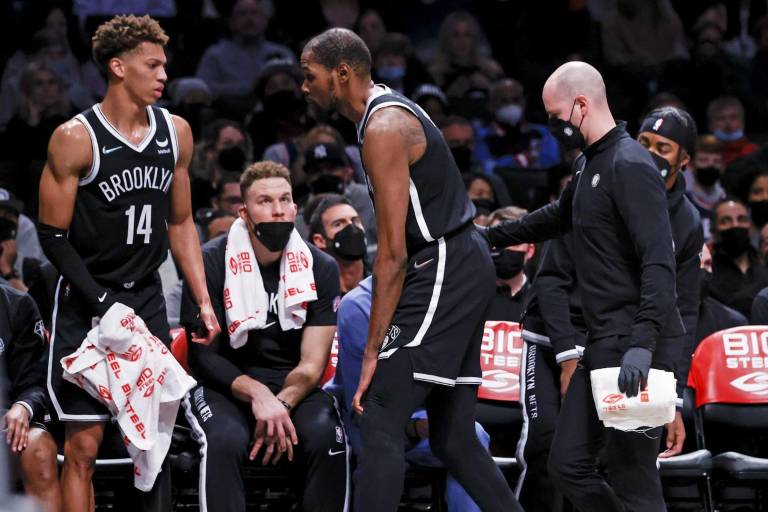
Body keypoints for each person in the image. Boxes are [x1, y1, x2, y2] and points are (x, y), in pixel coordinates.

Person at [301, 28, 521, 512]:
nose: (304, 86)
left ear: (341, 73)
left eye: (310, 74)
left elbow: (393, 254)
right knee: (453, 437)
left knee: (379, 410)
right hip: (460, 262)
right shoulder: (383, 115)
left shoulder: (383, 128)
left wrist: (374, 350)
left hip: (443, 262)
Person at [37, 15, 220, 512]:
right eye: (152, 65)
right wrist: (101, 301)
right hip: (86, 298)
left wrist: (202, 298)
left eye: (165, 65)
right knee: (83, 449)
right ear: (118, 67)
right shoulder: (75, 137)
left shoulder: (176, 133)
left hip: (145, 299)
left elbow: (181, 222)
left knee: (153, 447)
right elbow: (52, 236)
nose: (164, 75)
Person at [485, 61, 683, 512]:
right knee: (567, 464)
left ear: (580, 104)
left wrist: (643, 345)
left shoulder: (631, 164)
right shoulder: (589, 163)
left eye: (555, 116)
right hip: (602, 340)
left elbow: (659, 262)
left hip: (637, 342)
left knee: (634, 480)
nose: (552, 126)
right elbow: (557, 217)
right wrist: (489, 236)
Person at [180, 161, 349, 512]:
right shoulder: (208, 263)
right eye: (265, 201)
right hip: (225, 385)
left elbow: (313, 362)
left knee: (326, 437)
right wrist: (258, 395)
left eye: (284, 200)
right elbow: (203, 357)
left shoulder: (321, 267)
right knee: (224, 440)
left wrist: (281, 403)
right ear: (244, 212)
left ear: (295, 208)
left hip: (292, 386)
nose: (277, 210)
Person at [331, 275, 491, 512]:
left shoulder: (445, 301)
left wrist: (438, 421)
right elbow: (365, 411)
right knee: (381, 446)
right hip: (367, 419)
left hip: (422, 414)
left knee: (472, 436)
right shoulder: (358, 306)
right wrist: (416, 428)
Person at [0, 284, 61, 512]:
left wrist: (23, 406)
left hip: (4, 420)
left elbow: (35, 379)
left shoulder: (17, 304)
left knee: (39, 449)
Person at [195, 0, 294, 111]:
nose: (249, 18)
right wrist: (248, 89)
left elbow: (299, 85)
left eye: (254, 13)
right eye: (242, 13)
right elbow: (203, 89)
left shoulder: (282, 53)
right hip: (228, 113)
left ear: (265, 20)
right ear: (231, 22)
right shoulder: (215, 54)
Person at [709, 197, 768, 318]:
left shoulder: (764, 265)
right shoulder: (707, 273)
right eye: (726, 221)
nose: (735, 225)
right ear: (713, 230)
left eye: (742, 219)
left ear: (750, 226)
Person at [308, 194, 367, 294]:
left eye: (355, 221)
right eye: (338, 224)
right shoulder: (313, 295)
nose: (351, 228)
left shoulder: (382, 283)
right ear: (320, 240)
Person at [683, 135, 726, 240]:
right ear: (691, 165)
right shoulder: (680, 199)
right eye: (704, 160)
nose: (711, 165)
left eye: (716, 161)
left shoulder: (725, 198)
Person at [707, 95, 759, 166]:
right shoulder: (700, 154)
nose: (728, 123)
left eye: (733, 117)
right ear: (710, 125)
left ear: (743, 122)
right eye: (720, 118)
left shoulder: (755, 153)